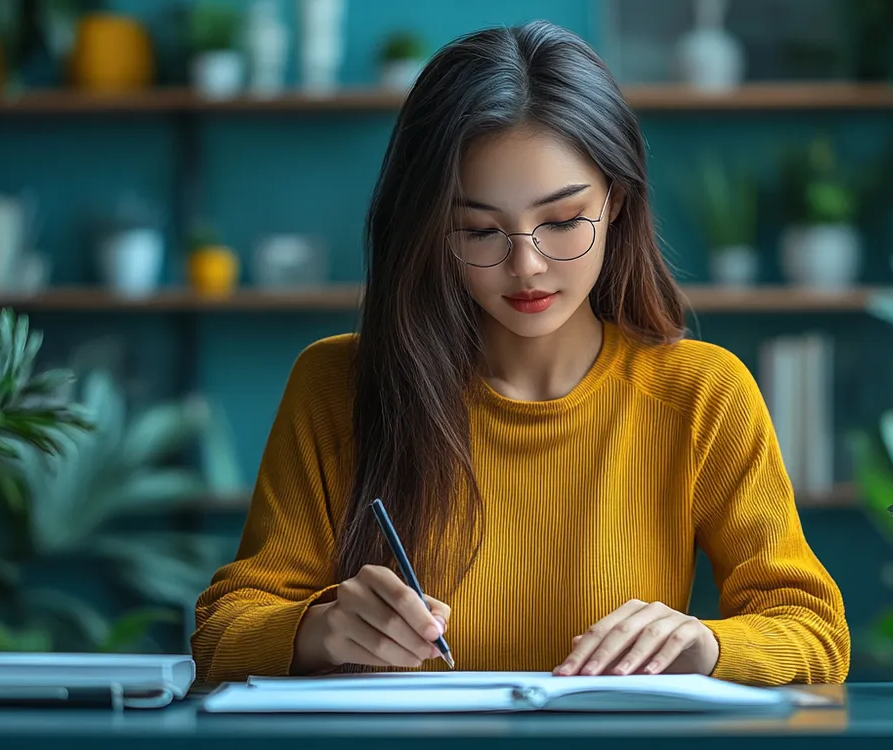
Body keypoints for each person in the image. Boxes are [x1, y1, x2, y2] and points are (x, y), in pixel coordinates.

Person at [191, 20, 849, 687]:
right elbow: (221, 633)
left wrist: (700, 645)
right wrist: (321, 629)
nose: (527, 265)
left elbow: (815, 634)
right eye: (479, 230)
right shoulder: (337, 385)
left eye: (563, 221)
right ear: (429, 230)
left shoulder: (701, 393)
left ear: (616, 202)